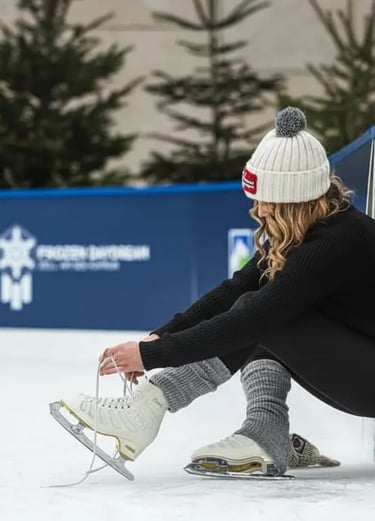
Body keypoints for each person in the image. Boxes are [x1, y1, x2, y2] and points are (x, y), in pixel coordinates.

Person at [61, 106, 374, 476]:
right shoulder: (313, 230)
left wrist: (152, 355)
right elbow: (234, 289)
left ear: (291, 197)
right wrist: (161, 335)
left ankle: (148, 410)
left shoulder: (337, 241)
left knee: (262, 317)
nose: (257, 209)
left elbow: (252, 317)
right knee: (260, 309)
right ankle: (266, 433)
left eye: (265, 201)